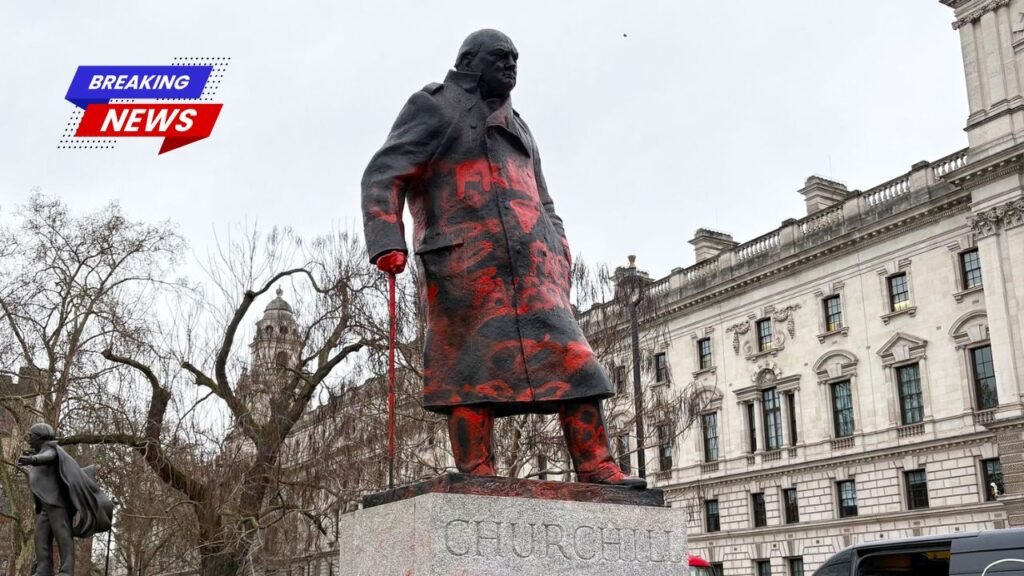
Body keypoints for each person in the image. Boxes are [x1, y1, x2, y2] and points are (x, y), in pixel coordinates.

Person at [362, 29, 645, 487]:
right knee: (468, 369)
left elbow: (544, 198)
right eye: (501, 58)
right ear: (471, 61)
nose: (512, 66)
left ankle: (596, 464)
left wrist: (558, 250)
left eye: (515, 58)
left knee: (576, 364)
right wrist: (386, 239)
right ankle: (477, 472)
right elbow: (383, 173)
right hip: (464, 267)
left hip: (534, 270)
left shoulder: (521, 124)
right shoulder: (433, 106)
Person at [18, 423, 113, 576]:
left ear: (40, 437)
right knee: (40, 537)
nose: (28, 439)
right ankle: (44, 568)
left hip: (57, 504)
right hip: (45, 505)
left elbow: (48, 457)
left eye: (31, 436)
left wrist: (33, 460)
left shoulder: (51, 450)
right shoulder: (40, 451)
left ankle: (66, 571)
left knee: (63, 535)